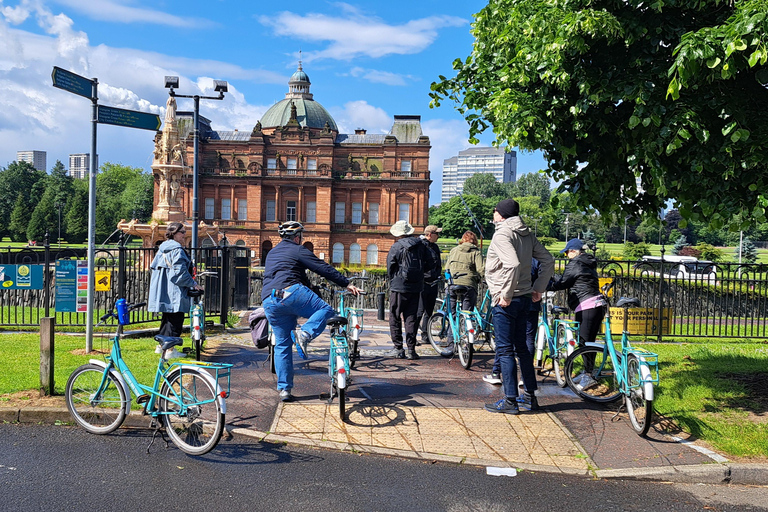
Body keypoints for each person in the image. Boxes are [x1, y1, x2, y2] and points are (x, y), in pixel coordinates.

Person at [261, 221, 362, 402]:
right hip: (290, 292)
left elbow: (296, 274)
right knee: (326, 310)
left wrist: (309, 288)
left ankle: (284, 390)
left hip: (269, 299)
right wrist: (346, 283)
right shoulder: (298, 249)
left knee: (282, 345)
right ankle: (305, 334)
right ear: (297, 237)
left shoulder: (272, 253)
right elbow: (322, 268)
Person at [484, 199, 554, 415]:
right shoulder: (527, 234)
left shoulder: (502, 234)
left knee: (505, 350)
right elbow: (548, 260)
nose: (493, 214)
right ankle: (530, 397)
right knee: (522, 348)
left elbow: (512, 264)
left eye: (495, 211)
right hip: (524, 297)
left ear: (501, 214)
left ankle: (510, 401)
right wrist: (538, 288)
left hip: (507, 299)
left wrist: (505, 294)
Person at [548, 238, 606, 390]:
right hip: (596, 304)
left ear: (573, 251)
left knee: (585, 343)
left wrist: (548, 285)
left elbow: (563, 282)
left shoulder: (575, 263)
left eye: (567, 252)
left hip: (586, 305)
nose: (566, 255)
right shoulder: (588, 262)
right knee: (589, 341)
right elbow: (571, 280)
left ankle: (589, 376)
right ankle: (588, 372)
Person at [484, 257, 541, 388]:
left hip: (510, 301)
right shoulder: (534, 259)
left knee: (505, 343)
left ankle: (497, 374)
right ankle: (526, 383)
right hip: (531, 302)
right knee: (527, 342)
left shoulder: (509, 256)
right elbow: (546, 270)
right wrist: (539, 288)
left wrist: (504, 293)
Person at [148, 222, 200, 358]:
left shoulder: (163, 248)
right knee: (176, 319)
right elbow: (180, 273)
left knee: (167, 318)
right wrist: (193, 284)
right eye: (182, 232)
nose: (184, 235)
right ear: (174, 233)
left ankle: (161, 347)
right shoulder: (177, 249)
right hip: (174, 290)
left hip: (163, 289)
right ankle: (170, 351)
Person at [386, 220, 434, 360]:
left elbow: (390, 266)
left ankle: (398, 348)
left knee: (395, 316)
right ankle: (411, 350)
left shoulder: (396, 246)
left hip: (399, 286)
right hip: (416, 286)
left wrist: (394, 279)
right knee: (411, 317)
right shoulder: (421, 246)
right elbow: (431, 263)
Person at [446, 229, 485, 320]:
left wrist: (447, 281)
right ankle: (466, 325)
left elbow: (447, 268)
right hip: (469, 284)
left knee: (451, 311)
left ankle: (451, 327)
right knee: (466, 312)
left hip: (453, 283)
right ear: (474, 241)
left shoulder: (454, 250)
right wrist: (484, 279)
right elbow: (481, 269)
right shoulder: (476, 252)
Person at [416, 225, 443, 344]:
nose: (438, 236)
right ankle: (412, 336)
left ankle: (425, 335)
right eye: (437, 234)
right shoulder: (420, 246)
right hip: (422, 283)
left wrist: (438, 275)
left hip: (433, 283)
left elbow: (438, 264)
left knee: (429, 311)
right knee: (419, 311)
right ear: (430, 234)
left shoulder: (435, 247)